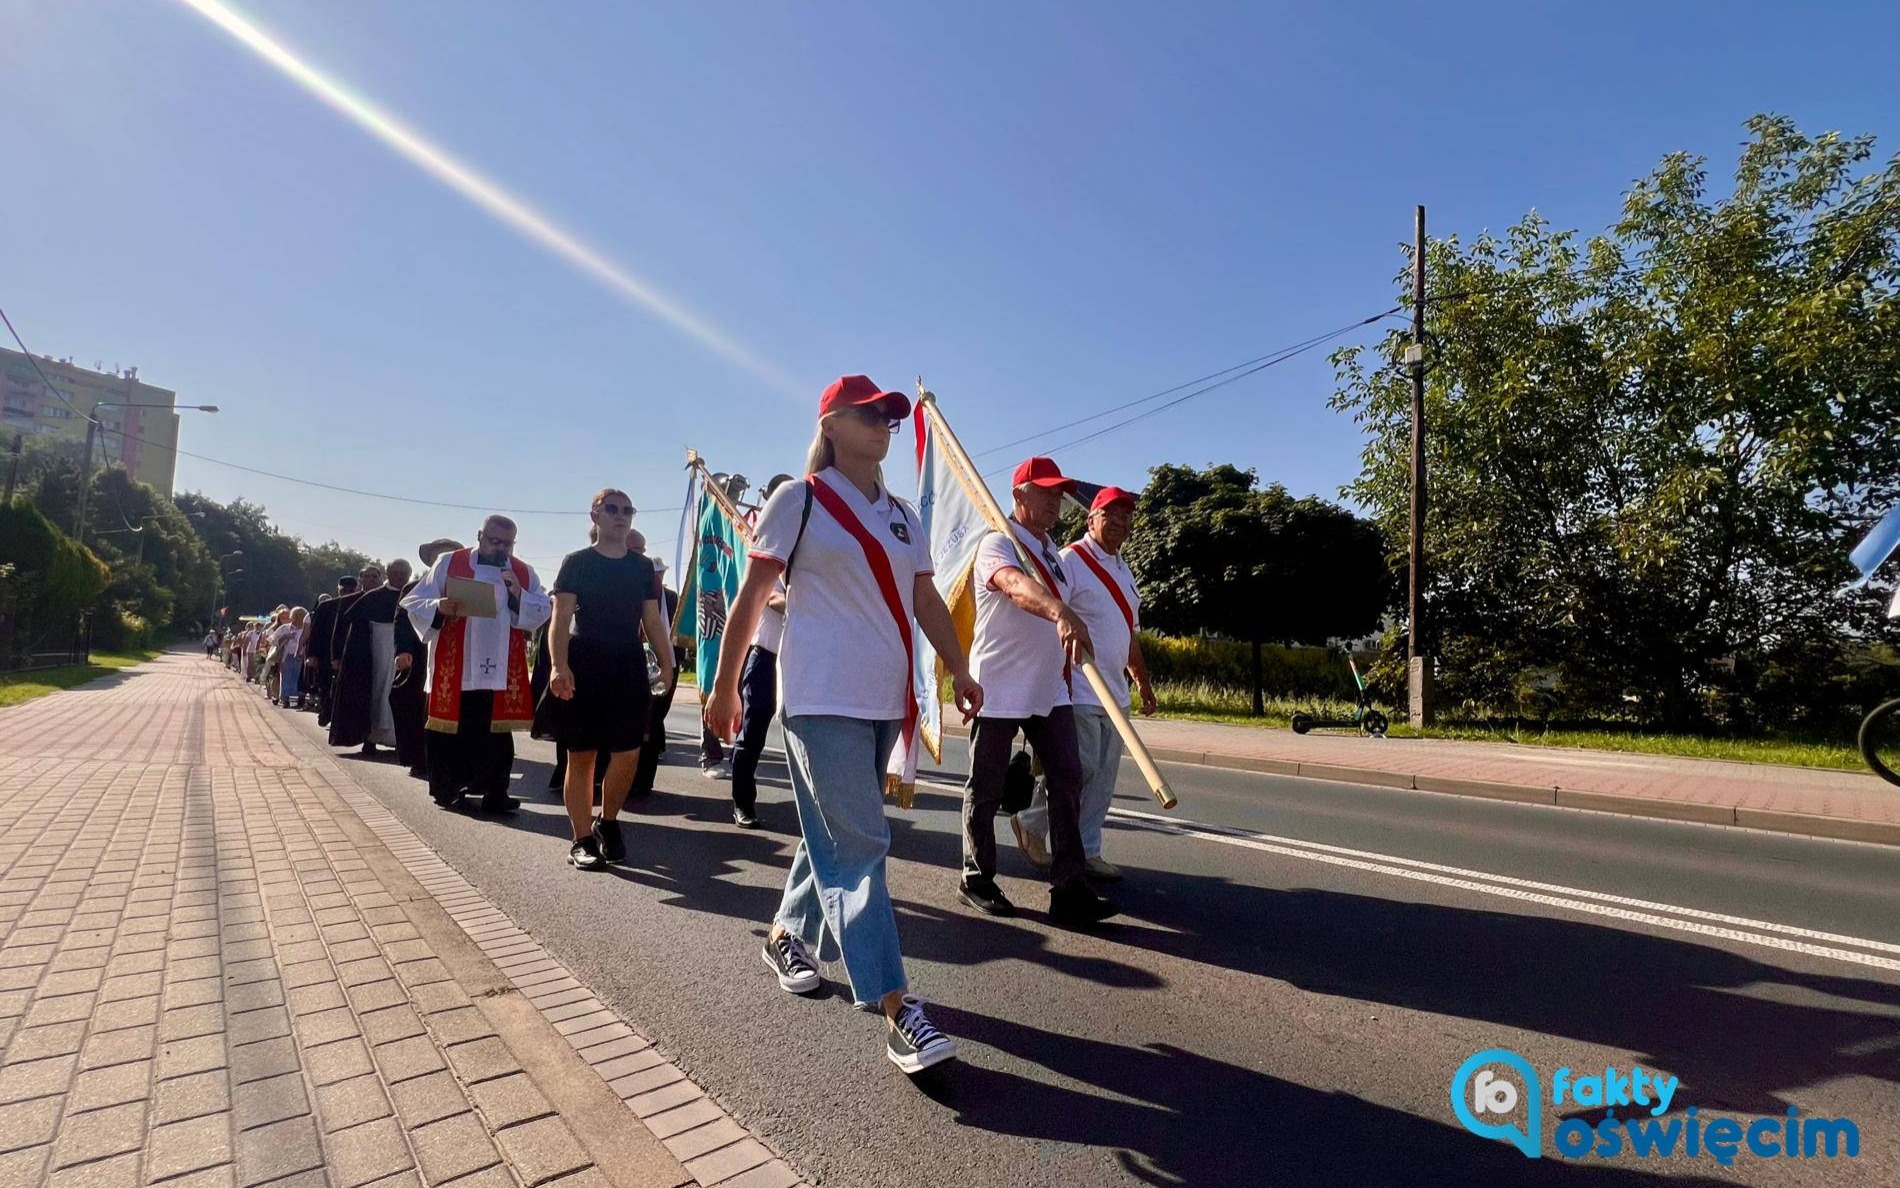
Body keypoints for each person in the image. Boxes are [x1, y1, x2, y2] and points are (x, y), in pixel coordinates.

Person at [707, 374, 981, 1076]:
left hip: (882, 700)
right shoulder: (797, 500)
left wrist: (962, 668)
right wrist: (721, 687)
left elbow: (926, 599)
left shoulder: (901, 515)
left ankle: (785, 933)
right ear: (830, 423)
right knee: (861, 843)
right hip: (819, 696)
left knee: (833, 829)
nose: (884, 424)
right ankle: (895, 1007)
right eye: (868, 415)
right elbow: (754, 593)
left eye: (890, 416)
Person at [960, 456, 1118, 925]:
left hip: (1052, 687)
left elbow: (1072, 603)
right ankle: (977, 877)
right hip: (1000, 684)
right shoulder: (997, 542)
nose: (1054, 501)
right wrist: (1060, 613)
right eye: (1044, 491)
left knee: (1067, 779)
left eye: (1058, 494)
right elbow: (1012, 585)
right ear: (1019, 494)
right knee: (986, 785)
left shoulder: (1055, 556)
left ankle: (1069, 887)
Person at [1012, 486, 1156, 881]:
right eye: (1112, 515)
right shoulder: (1072, 559)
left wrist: (1142, 681)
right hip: (1079, 686)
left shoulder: (1124, 570)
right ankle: (1032, 820)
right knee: (1080, 769)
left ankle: (1087, 848)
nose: (1121, 524)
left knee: (1103, 779)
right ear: (1092, 519)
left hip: (1116, 693)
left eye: (1127, 518)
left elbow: (1129, 633)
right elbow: (1047, 607)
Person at [546, 491, 674, 870]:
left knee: (628, 752)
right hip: (585, 662)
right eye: (612, 509)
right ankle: (581, 839)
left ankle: (609, 820)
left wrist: (667, 663)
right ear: (596, 515)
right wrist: (558, 665)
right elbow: (560, 617)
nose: (621, 516)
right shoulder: (577, 563)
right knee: (582, 755)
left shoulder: (642, 568)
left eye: (627, 510)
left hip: (627, 664)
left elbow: (651, 620)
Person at [401, 516, 552, 812]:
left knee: (495, 733)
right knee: (449, 731)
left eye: (506, 543)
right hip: (456, 663)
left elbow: (543, 607)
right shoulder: (449, 562)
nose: (499, 547)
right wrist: (438, 606)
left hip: (498, 666)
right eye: (493, 540)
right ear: (480, 535)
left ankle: (496, 792)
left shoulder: (521, 571)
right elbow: (414, 600)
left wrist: (518, 594)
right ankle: (448, 790)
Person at [727, 476, 796, 828]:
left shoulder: (804, 547)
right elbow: (768, 596)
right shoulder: (764, 548)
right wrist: (807, 605)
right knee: (753, 730)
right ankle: (743, 802)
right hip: (765, 655)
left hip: (797, 658)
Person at [395, 542, 460, 780]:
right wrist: (402, 650)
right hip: (420, 655)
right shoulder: (415, 588)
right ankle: (419, 759)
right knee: (418, 708)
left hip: (453, 658)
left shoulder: (464, 587)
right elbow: (402, 620)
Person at [330, 564, 401, 756]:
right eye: (367, 576)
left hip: (398, 652)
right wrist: (336, 657)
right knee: (375, 692)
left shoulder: (408, 596)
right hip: (372, 654)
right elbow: (342, 630)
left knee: (395, 692)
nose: (371, 579)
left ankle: (398, 738)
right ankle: (370, 737)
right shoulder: (362, 600)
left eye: (374, 576)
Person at [630, 555, 682, 799]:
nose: (657, 578)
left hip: (665, 665)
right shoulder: (634, 592)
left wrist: (671, 664)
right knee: (636, 725)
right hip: (634, 664)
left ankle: (644, 781)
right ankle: (630, 780)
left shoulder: (672, 599)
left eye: (660, 573)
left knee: (654, 721)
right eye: (654, 573)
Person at [306, 575, 358, 725]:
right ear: (338, 589)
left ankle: (339, 716)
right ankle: (325, 708)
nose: (347, 592)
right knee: (325, 685)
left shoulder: (359, 604)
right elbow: (315, 632)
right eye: (344, 590)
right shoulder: (326, 606)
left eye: (350, 590)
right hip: (325, 653)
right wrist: (312, 655)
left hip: (348, 653)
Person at [272, 607, 309, 709]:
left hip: (301, 657)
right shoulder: (285, 628)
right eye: (296, 617)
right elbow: (273, 641)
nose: (298, 619)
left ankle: (301, 698)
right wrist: (285, 637)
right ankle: (285, 699)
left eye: (301, 617)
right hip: (287, 656)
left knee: (299, 678)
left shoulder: (306, 628)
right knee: (286, 677)